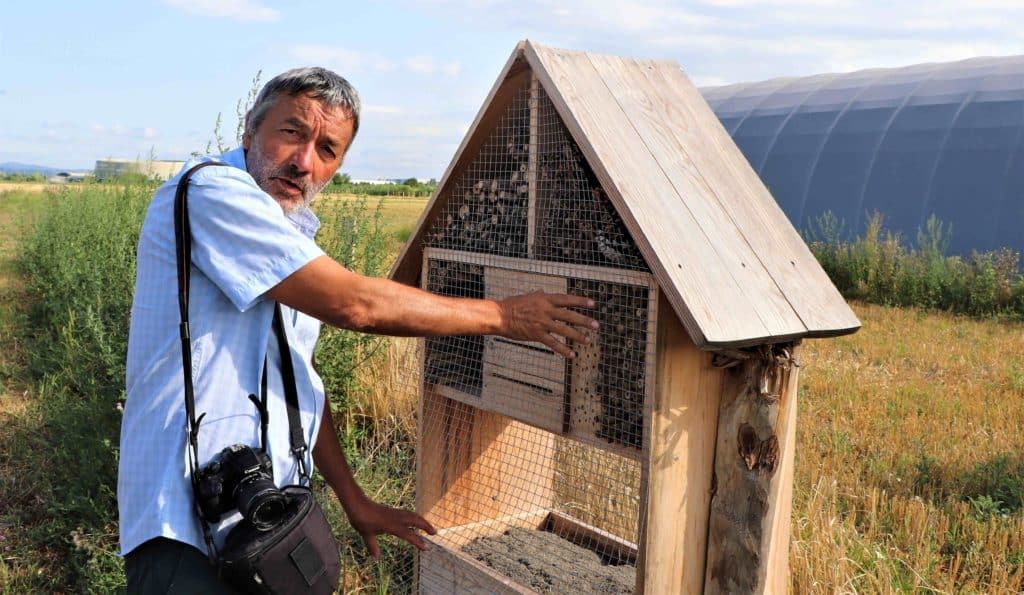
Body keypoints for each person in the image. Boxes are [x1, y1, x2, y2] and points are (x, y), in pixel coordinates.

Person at [117, 67, 597, 592]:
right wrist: (507, 317)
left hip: (266, 525)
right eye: (292, 132)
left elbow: (298, 380)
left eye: (328, 149)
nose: (305, 162)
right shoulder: (210, 191)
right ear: (250, 132)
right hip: (184, 526)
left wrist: (354, 501)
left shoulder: (290, 236)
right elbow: (355, 305)